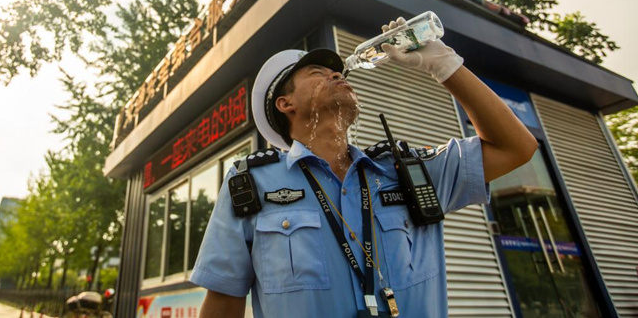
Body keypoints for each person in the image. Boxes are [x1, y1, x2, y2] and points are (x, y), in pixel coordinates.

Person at [189, 17, 538, 318]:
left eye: (337, 71)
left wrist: (445, 66)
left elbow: (517, 148)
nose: (336, 74)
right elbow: (223, 302)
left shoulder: (405, 171)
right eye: (318, 72)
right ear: (285, 103)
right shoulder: (251, 183)